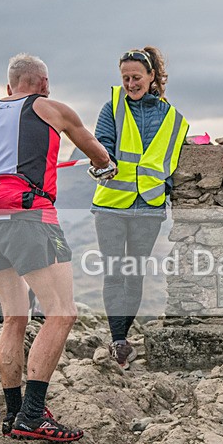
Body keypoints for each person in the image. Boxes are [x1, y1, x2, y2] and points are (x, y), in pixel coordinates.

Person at [0, 53, 114, 442]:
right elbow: (96, 151)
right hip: (29, 216)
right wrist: (103, 166)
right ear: (43, 84)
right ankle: (34, 414)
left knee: (14, 318)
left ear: (9, 88)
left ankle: (13, 416)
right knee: (62, 313)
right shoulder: (51, 108)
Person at [91, 46, 189, 369]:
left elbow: (171, 163)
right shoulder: (112, 108)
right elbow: (102, 144)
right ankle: (118, 339)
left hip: (148, 207)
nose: (131, 83)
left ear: (151, 77)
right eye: (125, 78)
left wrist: (167, 191)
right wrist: (104, 161)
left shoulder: (172, 118)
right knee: (114, 270)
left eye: (136, 77)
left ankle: (122, 333)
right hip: (111, 205)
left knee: (134, 274)